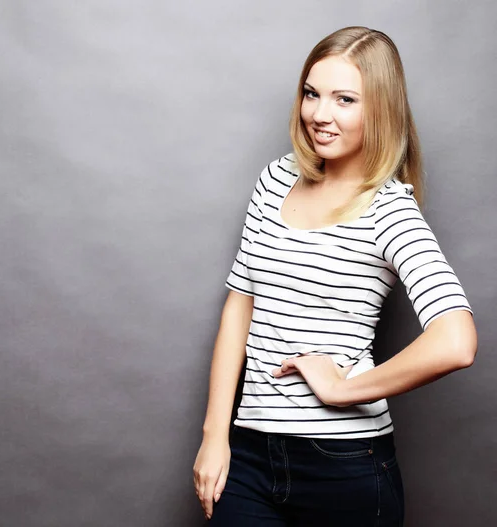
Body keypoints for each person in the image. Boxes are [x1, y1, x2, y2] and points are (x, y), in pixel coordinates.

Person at [192, 26, 477, 526]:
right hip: (250, 458)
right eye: (311, 93)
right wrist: (215, 434)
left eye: (344, 99)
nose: (320, 114)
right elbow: (241, 305)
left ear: (381, 110)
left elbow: (456, 341)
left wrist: (344, 389)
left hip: (345, 468)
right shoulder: (276, 179)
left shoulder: (390, 209)